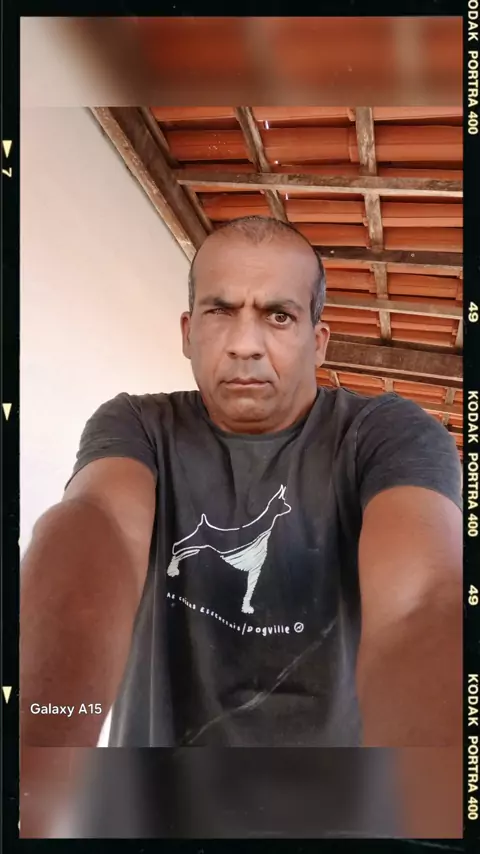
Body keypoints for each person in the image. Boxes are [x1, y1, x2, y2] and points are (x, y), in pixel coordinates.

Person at [20, 216, 462, 834]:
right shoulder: (137, 427)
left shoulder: (388, 436)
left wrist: (431, 806)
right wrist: (36, 770)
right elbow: (98, 536)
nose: (244, 344)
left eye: (278, 315)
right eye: (220, 311)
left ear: (319, 340)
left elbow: (421, 603)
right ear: (188, 331)